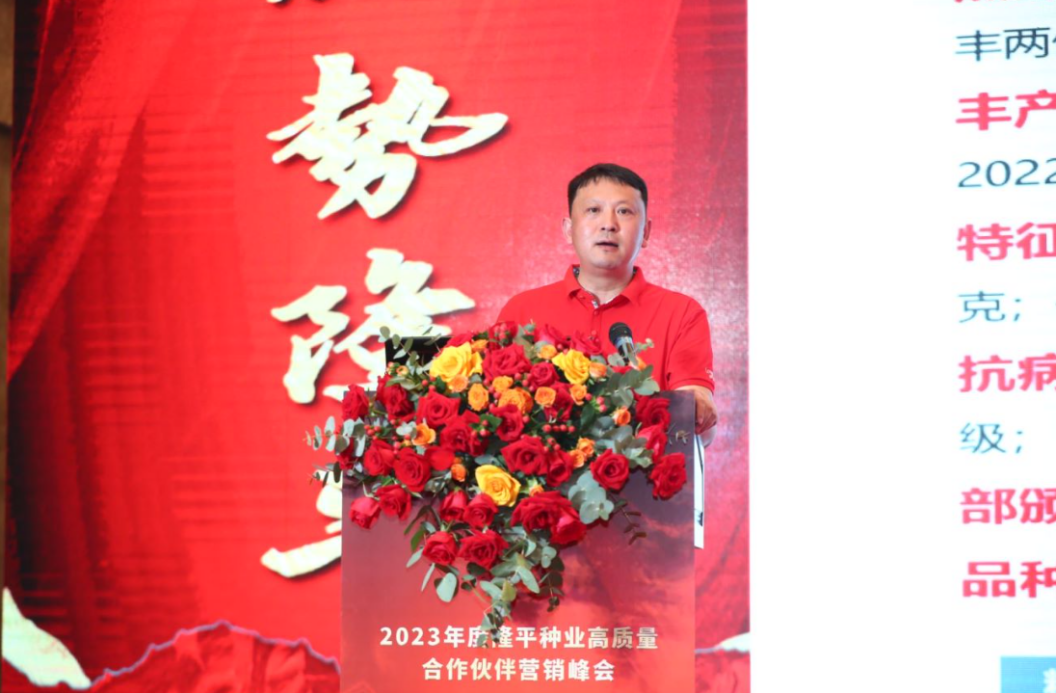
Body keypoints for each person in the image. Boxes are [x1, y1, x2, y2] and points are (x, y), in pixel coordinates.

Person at [497, 163, 718, 436]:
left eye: (624, 211)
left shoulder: (681, 313)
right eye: (593, 210)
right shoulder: (522, 311)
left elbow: (697, 422)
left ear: (646, 232)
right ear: (568, 229)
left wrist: (698, 409)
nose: (608, 224)